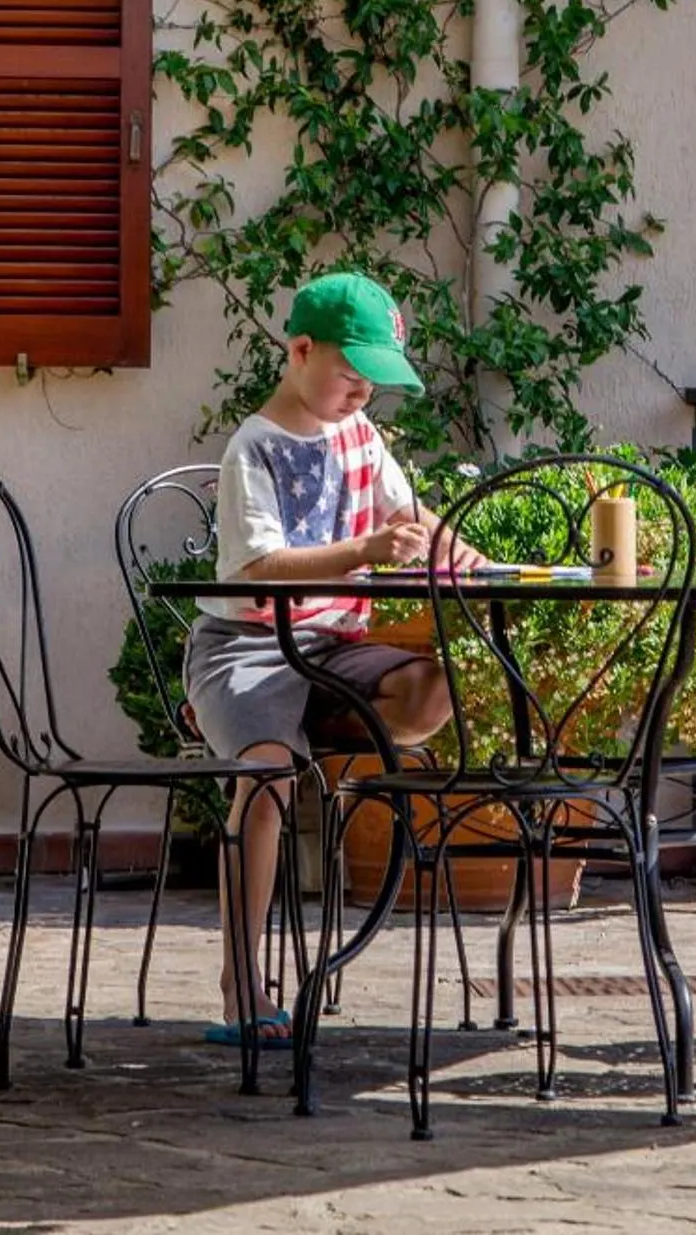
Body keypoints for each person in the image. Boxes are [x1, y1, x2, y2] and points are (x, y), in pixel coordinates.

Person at [184, 272, 468, 1046]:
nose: (362, 394)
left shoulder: (361, 436)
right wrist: (364, 552)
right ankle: (243, 983)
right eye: (350, 374)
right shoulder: (254, 448)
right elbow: (257, 568)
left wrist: (461, 551)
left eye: (374, 382)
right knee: (269, 771)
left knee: (434, 688)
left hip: (329, 649)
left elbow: (406, 513)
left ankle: (333, 741)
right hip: (247, 648)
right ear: (299, 350)